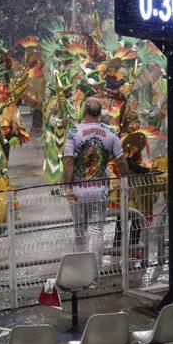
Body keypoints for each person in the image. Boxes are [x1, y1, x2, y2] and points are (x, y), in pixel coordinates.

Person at [62, 97, 128, 257]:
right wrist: (125, 181)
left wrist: (67, 187)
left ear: (84, 110)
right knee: (96, 230)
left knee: (79, 229)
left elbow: (68, 161)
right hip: (100, 190)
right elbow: (121, 161)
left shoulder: (74, 132)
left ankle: (79, 269)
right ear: (100, 112)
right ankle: (93, 272)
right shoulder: (111, 132)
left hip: (78, 189)